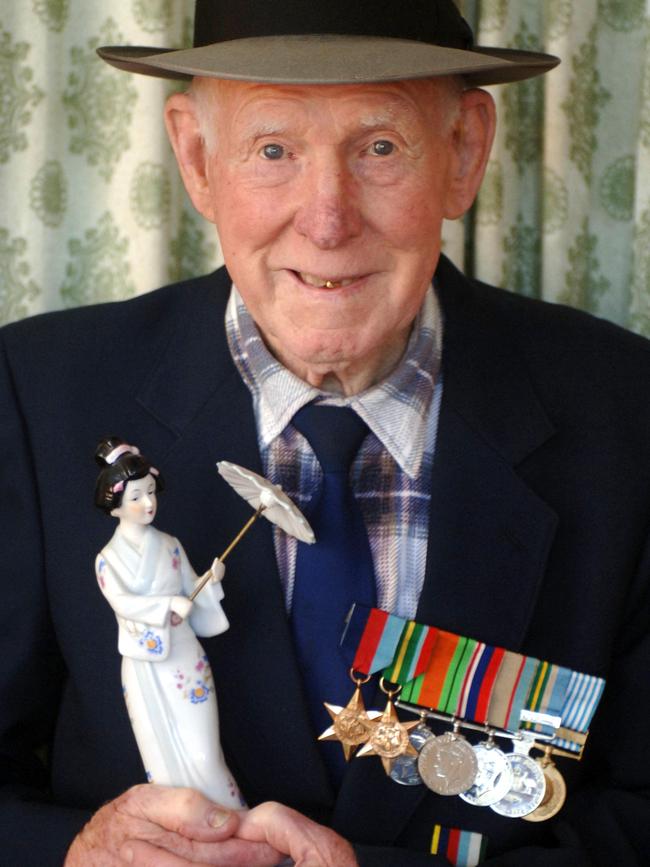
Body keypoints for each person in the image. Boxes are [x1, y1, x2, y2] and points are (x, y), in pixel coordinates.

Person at [0, 1, 648, 865]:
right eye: (274, 150)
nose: (328, 219)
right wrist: (75, 852)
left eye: (379, 146)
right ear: (197, 158)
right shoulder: (36, 390)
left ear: (463, 154)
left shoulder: (629, 410)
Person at [93, 436, 243, 811]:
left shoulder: (171, 545)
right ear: (115, 507)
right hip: (145, 666)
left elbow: (193, 590)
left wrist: (211, 582)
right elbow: (122, 603)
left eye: (150, 493)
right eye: (136, 497)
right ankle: (186, 831)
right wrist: (166, 605)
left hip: (184, 657)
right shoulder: (106, 559)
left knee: (205, 753)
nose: (148, 503)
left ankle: (231, 820)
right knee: (162, 762)